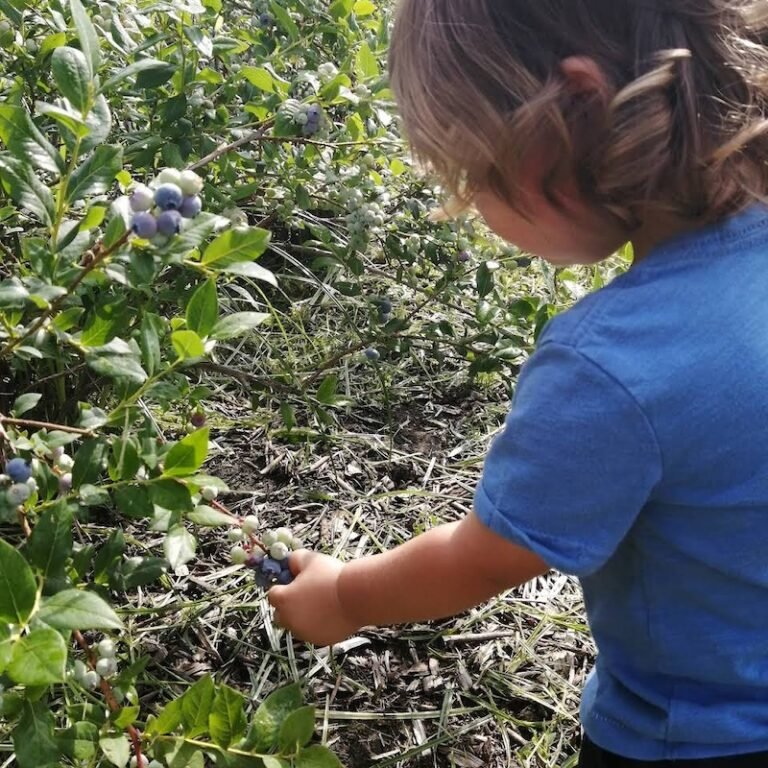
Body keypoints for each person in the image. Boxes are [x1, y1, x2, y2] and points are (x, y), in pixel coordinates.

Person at [268, 1, 768, 765]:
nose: (471, 206)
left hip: (699, 735)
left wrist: (342, 597)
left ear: (572, 110)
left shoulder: (617, 364)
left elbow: (485, 557)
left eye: (471, 174)